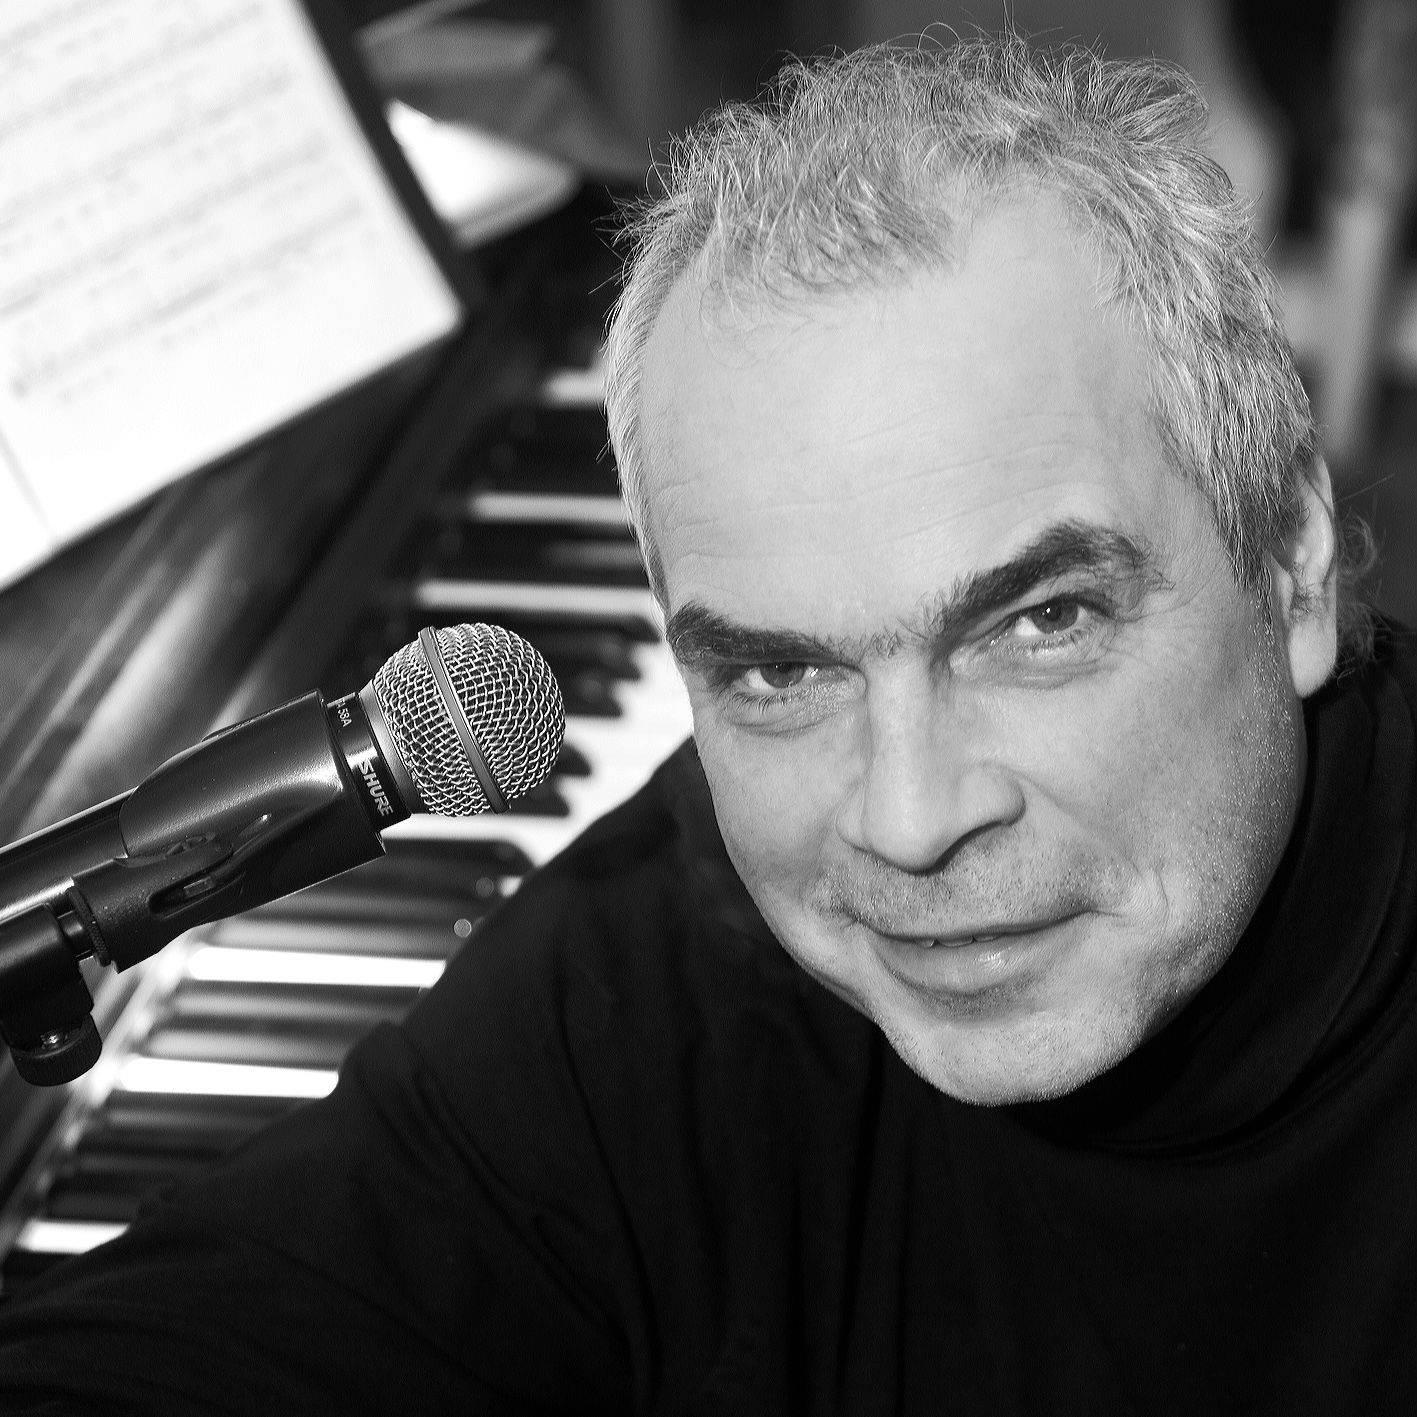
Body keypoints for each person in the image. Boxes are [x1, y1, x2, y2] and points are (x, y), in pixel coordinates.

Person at [1, 30, 1411, 1414]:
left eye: (1040, 623)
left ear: (1288, 563)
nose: (907, 820)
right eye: (781, 675)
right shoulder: (675, 968)